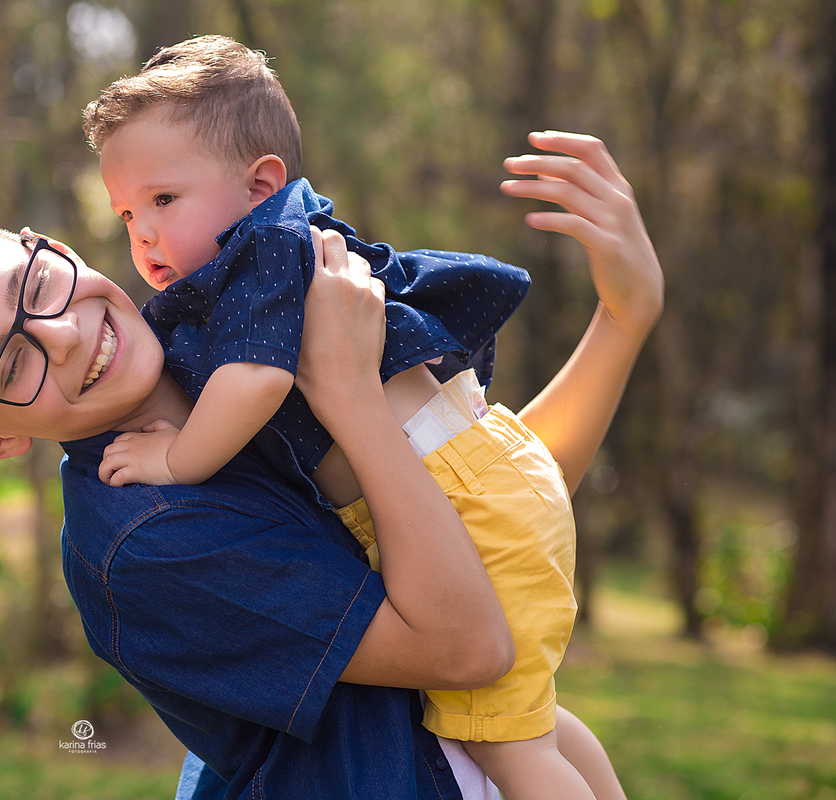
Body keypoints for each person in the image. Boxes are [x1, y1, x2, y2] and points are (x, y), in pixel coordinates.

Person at [0, 132, 663, 798]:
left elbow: (483, 507)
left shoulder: (229, 339)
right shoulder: (145, 543)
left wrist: (624, 317)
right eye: (9, 366)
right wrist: (349, 395)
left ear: (54, 249)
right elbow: (469, 643)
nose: (60, 334)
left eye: (37, 284)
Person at [81, 35, 626, 800]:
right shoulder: (272, 254)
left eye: (164, 200)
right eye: (128, 213)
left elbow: (255, 383)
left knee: (514, 753)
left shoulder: (265, 253)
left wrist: (175, 461)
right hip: (478, 473)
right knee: (538, 725)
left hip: (462, 503)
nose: (142, 233)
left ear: (260, 182)